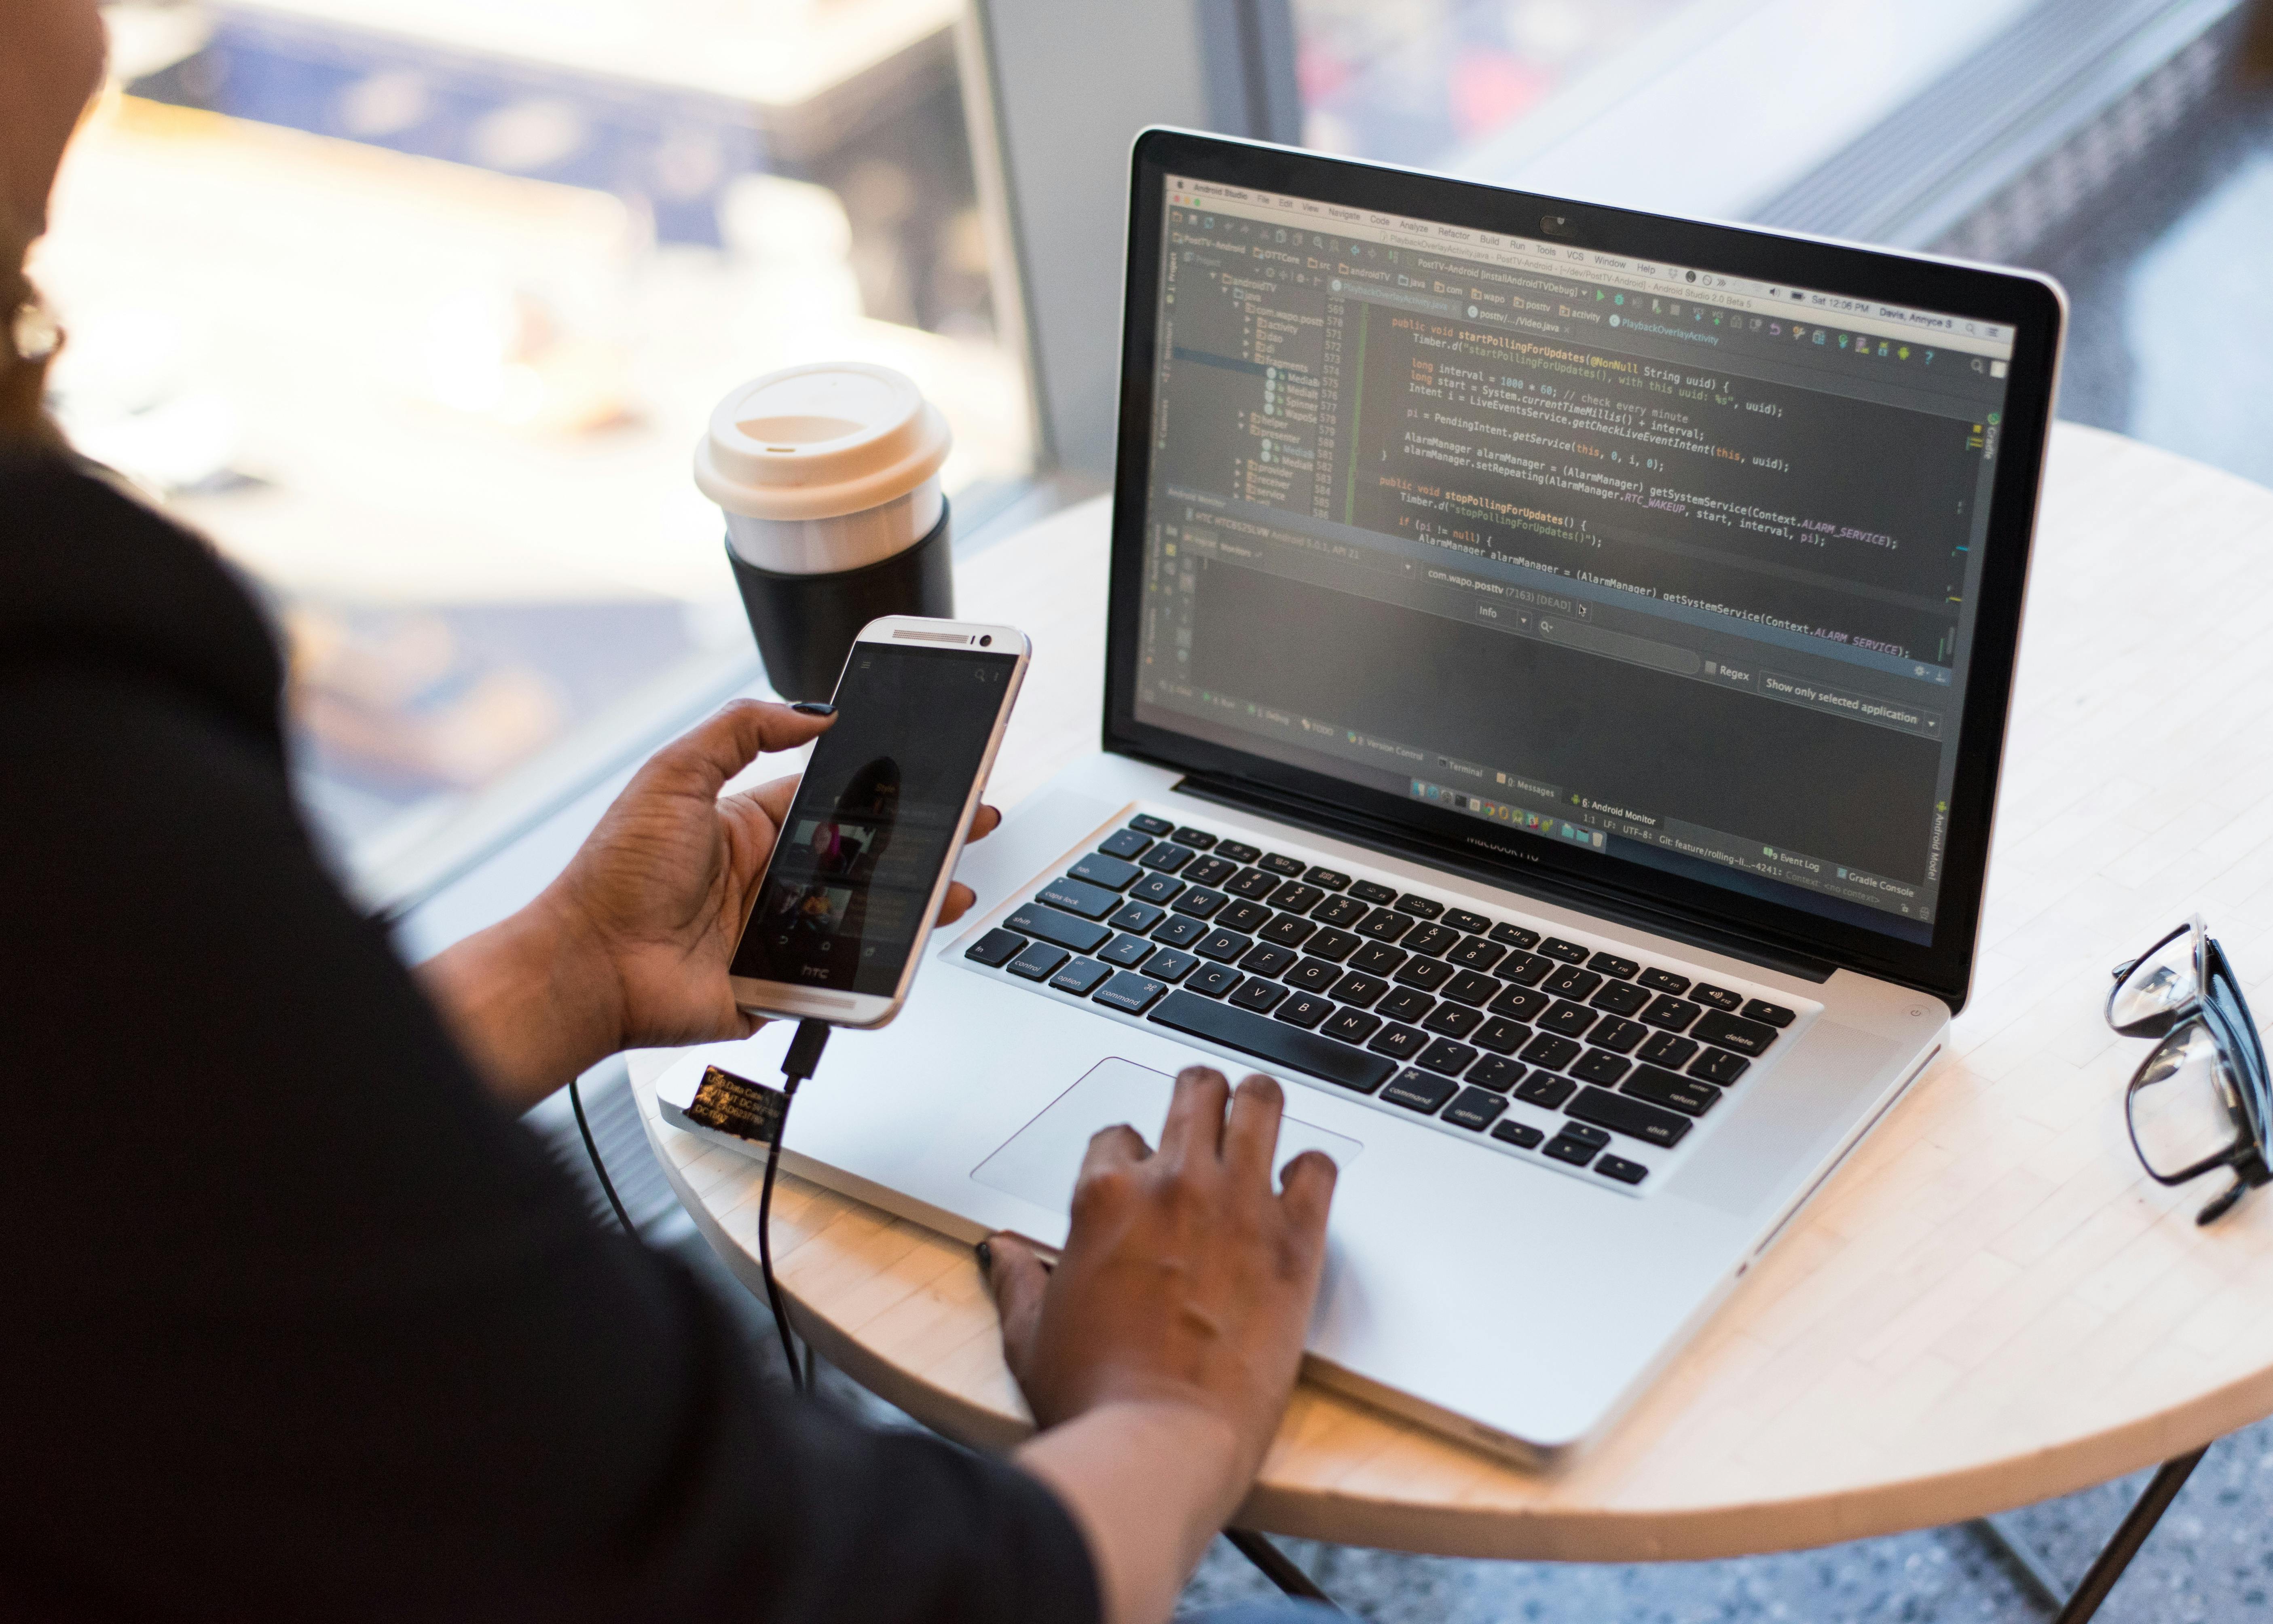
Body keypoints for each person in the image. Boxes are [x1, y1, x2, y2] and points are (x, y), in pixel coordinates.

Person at [0, 4, 1338, 1619]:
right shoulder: (65, 772)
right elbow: (795, 1585)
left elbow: (160, 1172)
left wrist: (569, 961)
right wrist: (1169, 1410)